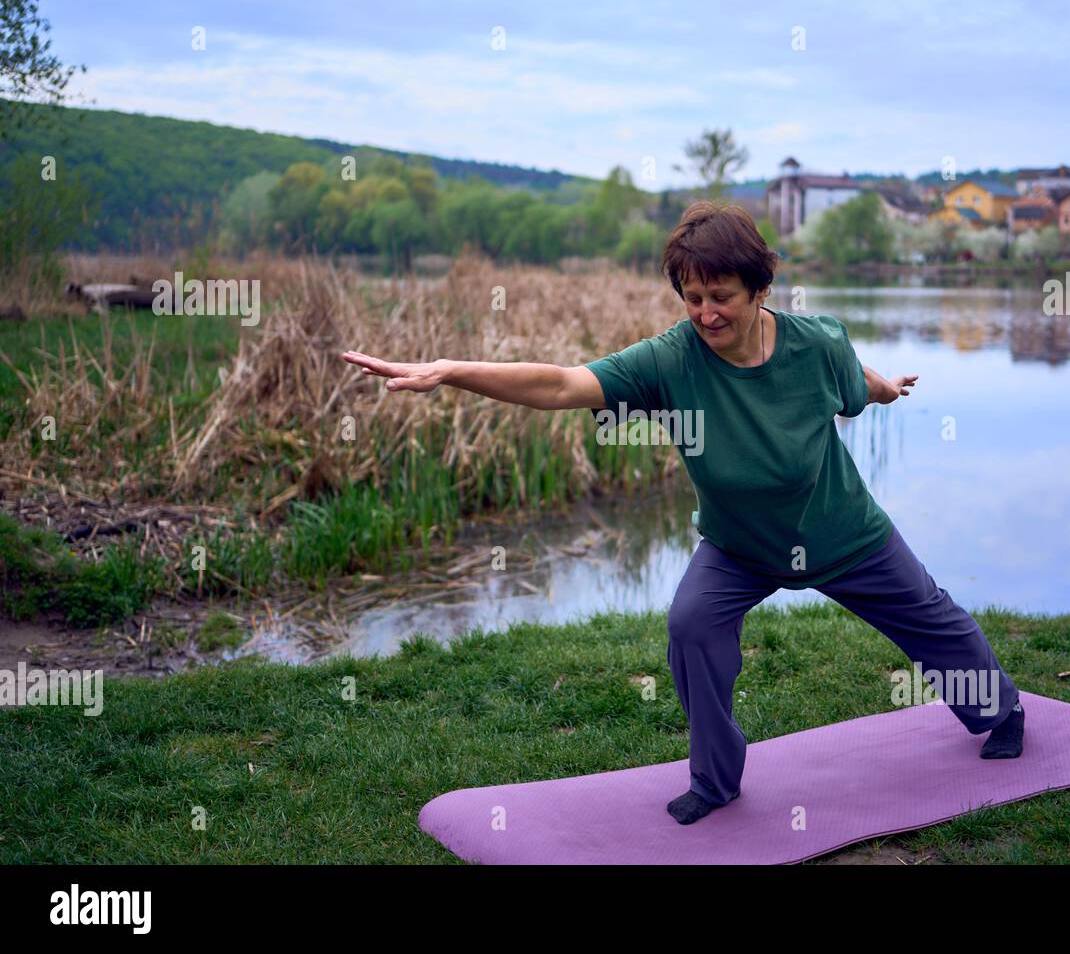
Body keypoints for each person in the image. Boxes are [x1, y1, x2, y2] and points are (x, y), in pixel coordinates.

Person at [341, 200, 1025, 827]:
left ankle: (1001, 713)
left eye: (720, 296)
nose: (705, 312)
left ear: (761, 288)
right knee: (692, 624)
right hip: (738, 546)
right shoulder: (671, 360)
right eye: (692, 297)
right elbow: (560, 383)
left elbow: (854, 383)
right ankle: (716, 779)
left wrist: (885, 387)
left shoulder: (816, 344)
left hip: (840, 533)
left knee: (931, 617)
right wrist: (453, 370)